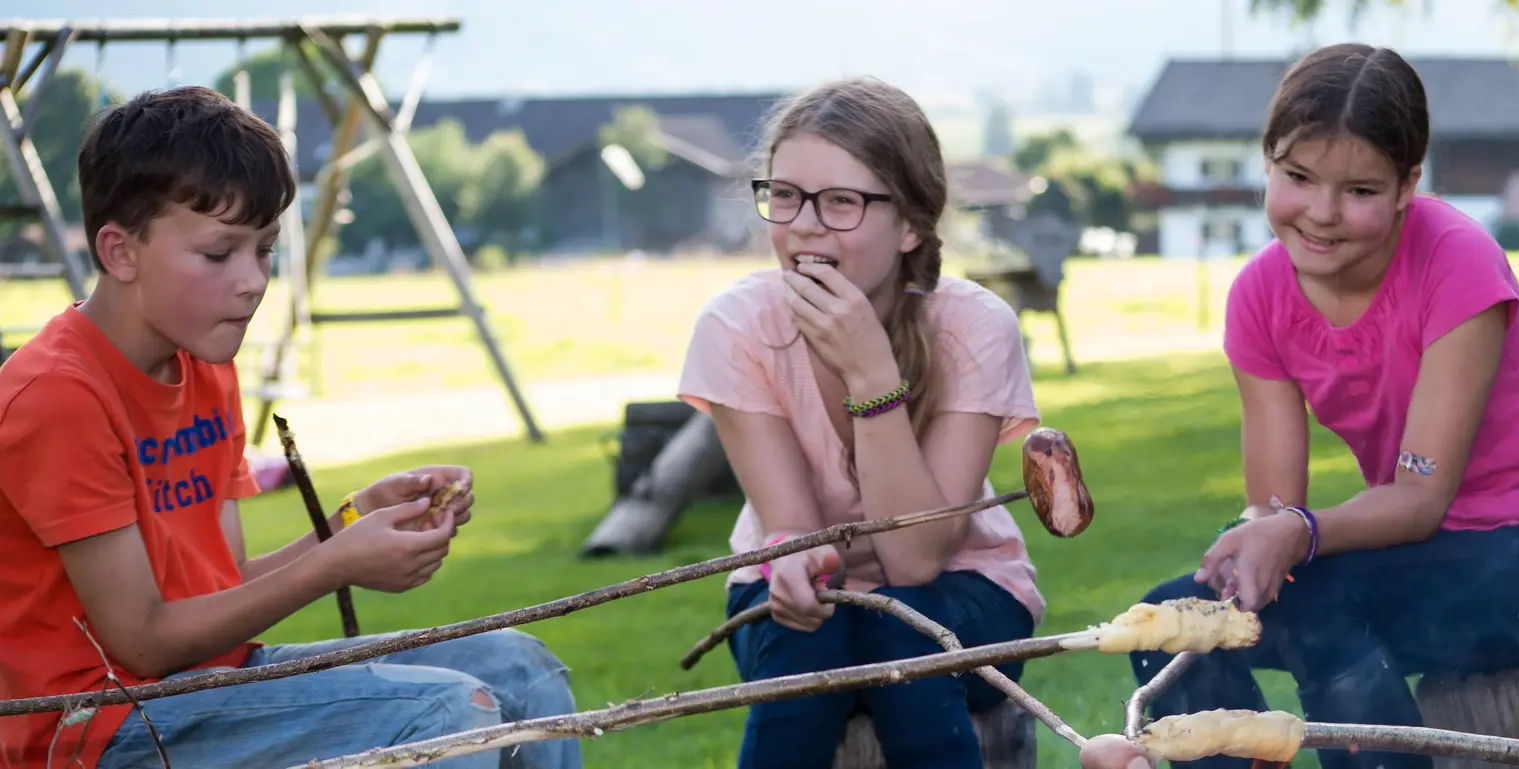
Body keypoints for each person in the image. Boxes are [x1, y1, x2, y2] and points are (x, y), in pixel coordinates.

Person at [0, 86, 580, 769]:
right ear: (120, 252)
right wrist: (337, 562)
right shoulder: (56, 396)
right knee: (443, 712)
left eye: (265, 249)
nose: (252, 282)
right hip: (96, 729)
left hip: (214, 681)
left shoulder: (205, 358)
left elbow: (228, 581)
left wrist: (350, 519)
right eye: (220, 254)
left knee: (520, 667)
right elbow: (145, 643)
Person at [1123, 43, 1519, 769]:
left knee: (1323, 606)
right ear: (1267, 161)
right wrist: (1253, 546)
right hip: (1423, 554)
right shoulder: (1260, 296)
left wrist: (1293, 532)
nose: (1323, 214)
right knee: (1170, 626)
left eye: (1360, 190)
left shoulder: (1455, 258)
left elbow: (1420, 496)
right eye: (1297, 177)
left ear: (1407, 185)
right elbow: (1274, 506)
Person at [675, 76, 1044, 769]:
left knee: (901, 636)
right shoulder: (737, 327)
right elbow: (792, 527)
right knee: (807, 642)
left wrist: (873, 376)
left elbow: (913, 558)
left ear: (910, 224)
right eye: (785, 195)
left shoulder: (973, 327)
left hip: (965, 585)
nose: (804, 224)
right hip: (790, 595)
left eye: (841, 201)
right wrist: (786, 552)